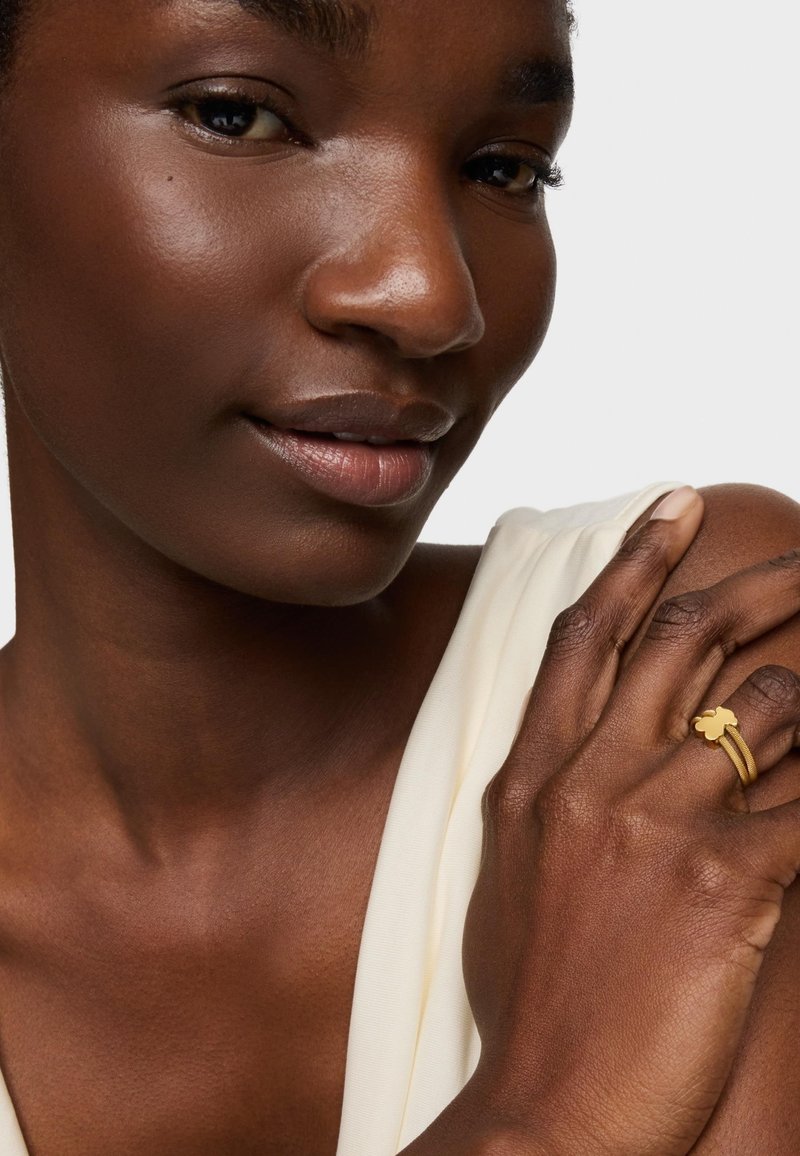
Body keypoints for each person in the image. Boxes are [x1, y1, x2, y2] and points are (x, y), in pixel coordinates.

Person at [0, 0, 799, 1153]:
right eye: (236, 115)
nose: (430, 296)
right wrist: (543, 1113)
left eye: (502, 166)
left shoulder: (683, 675)